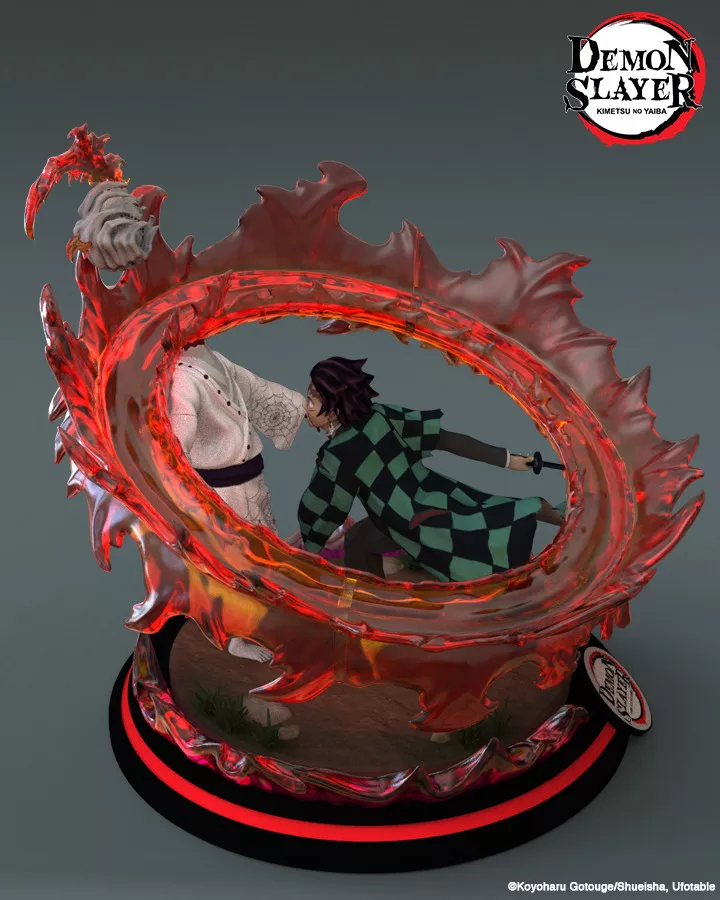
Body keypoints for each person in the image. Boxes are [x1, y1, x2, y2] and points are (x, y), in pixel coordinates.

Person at [298, 357, 564, 582]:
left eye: (311, 399)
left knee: (360, 542)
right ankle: (560, 514)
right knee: (487, 511)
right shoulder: (381, 415)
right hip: (439, 493)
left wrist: (308, 549)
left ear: (333, 407)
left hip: (404, 520)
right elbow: (449, 440)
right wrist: (509, 459)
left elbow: (323, 506)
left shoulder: (336, 455)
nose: (305, 406)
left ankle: (360, 608)